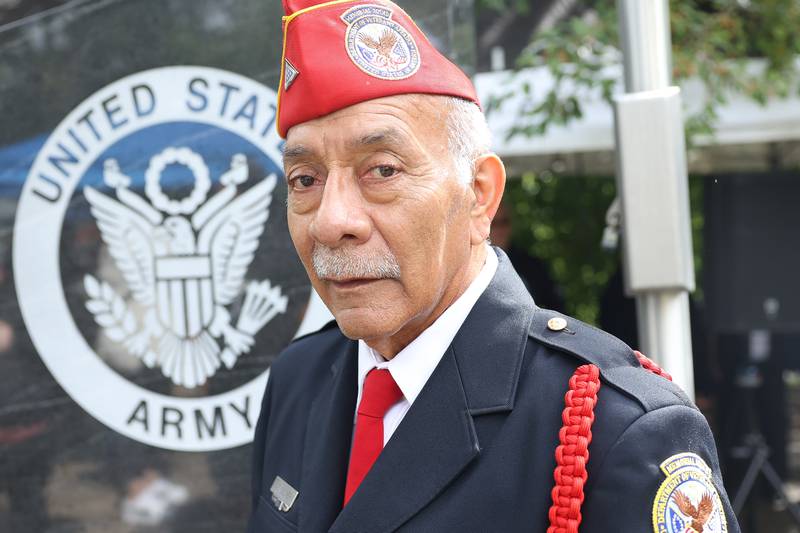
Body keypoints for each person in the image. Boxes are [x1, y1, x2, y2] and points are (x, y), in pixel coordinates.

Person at [248, 1, 740, 531]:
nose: (331, 221)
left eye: (383, 171)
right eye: (305, 180)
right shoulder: (301, 380)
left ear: (480, 197)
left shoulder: (611, 425)